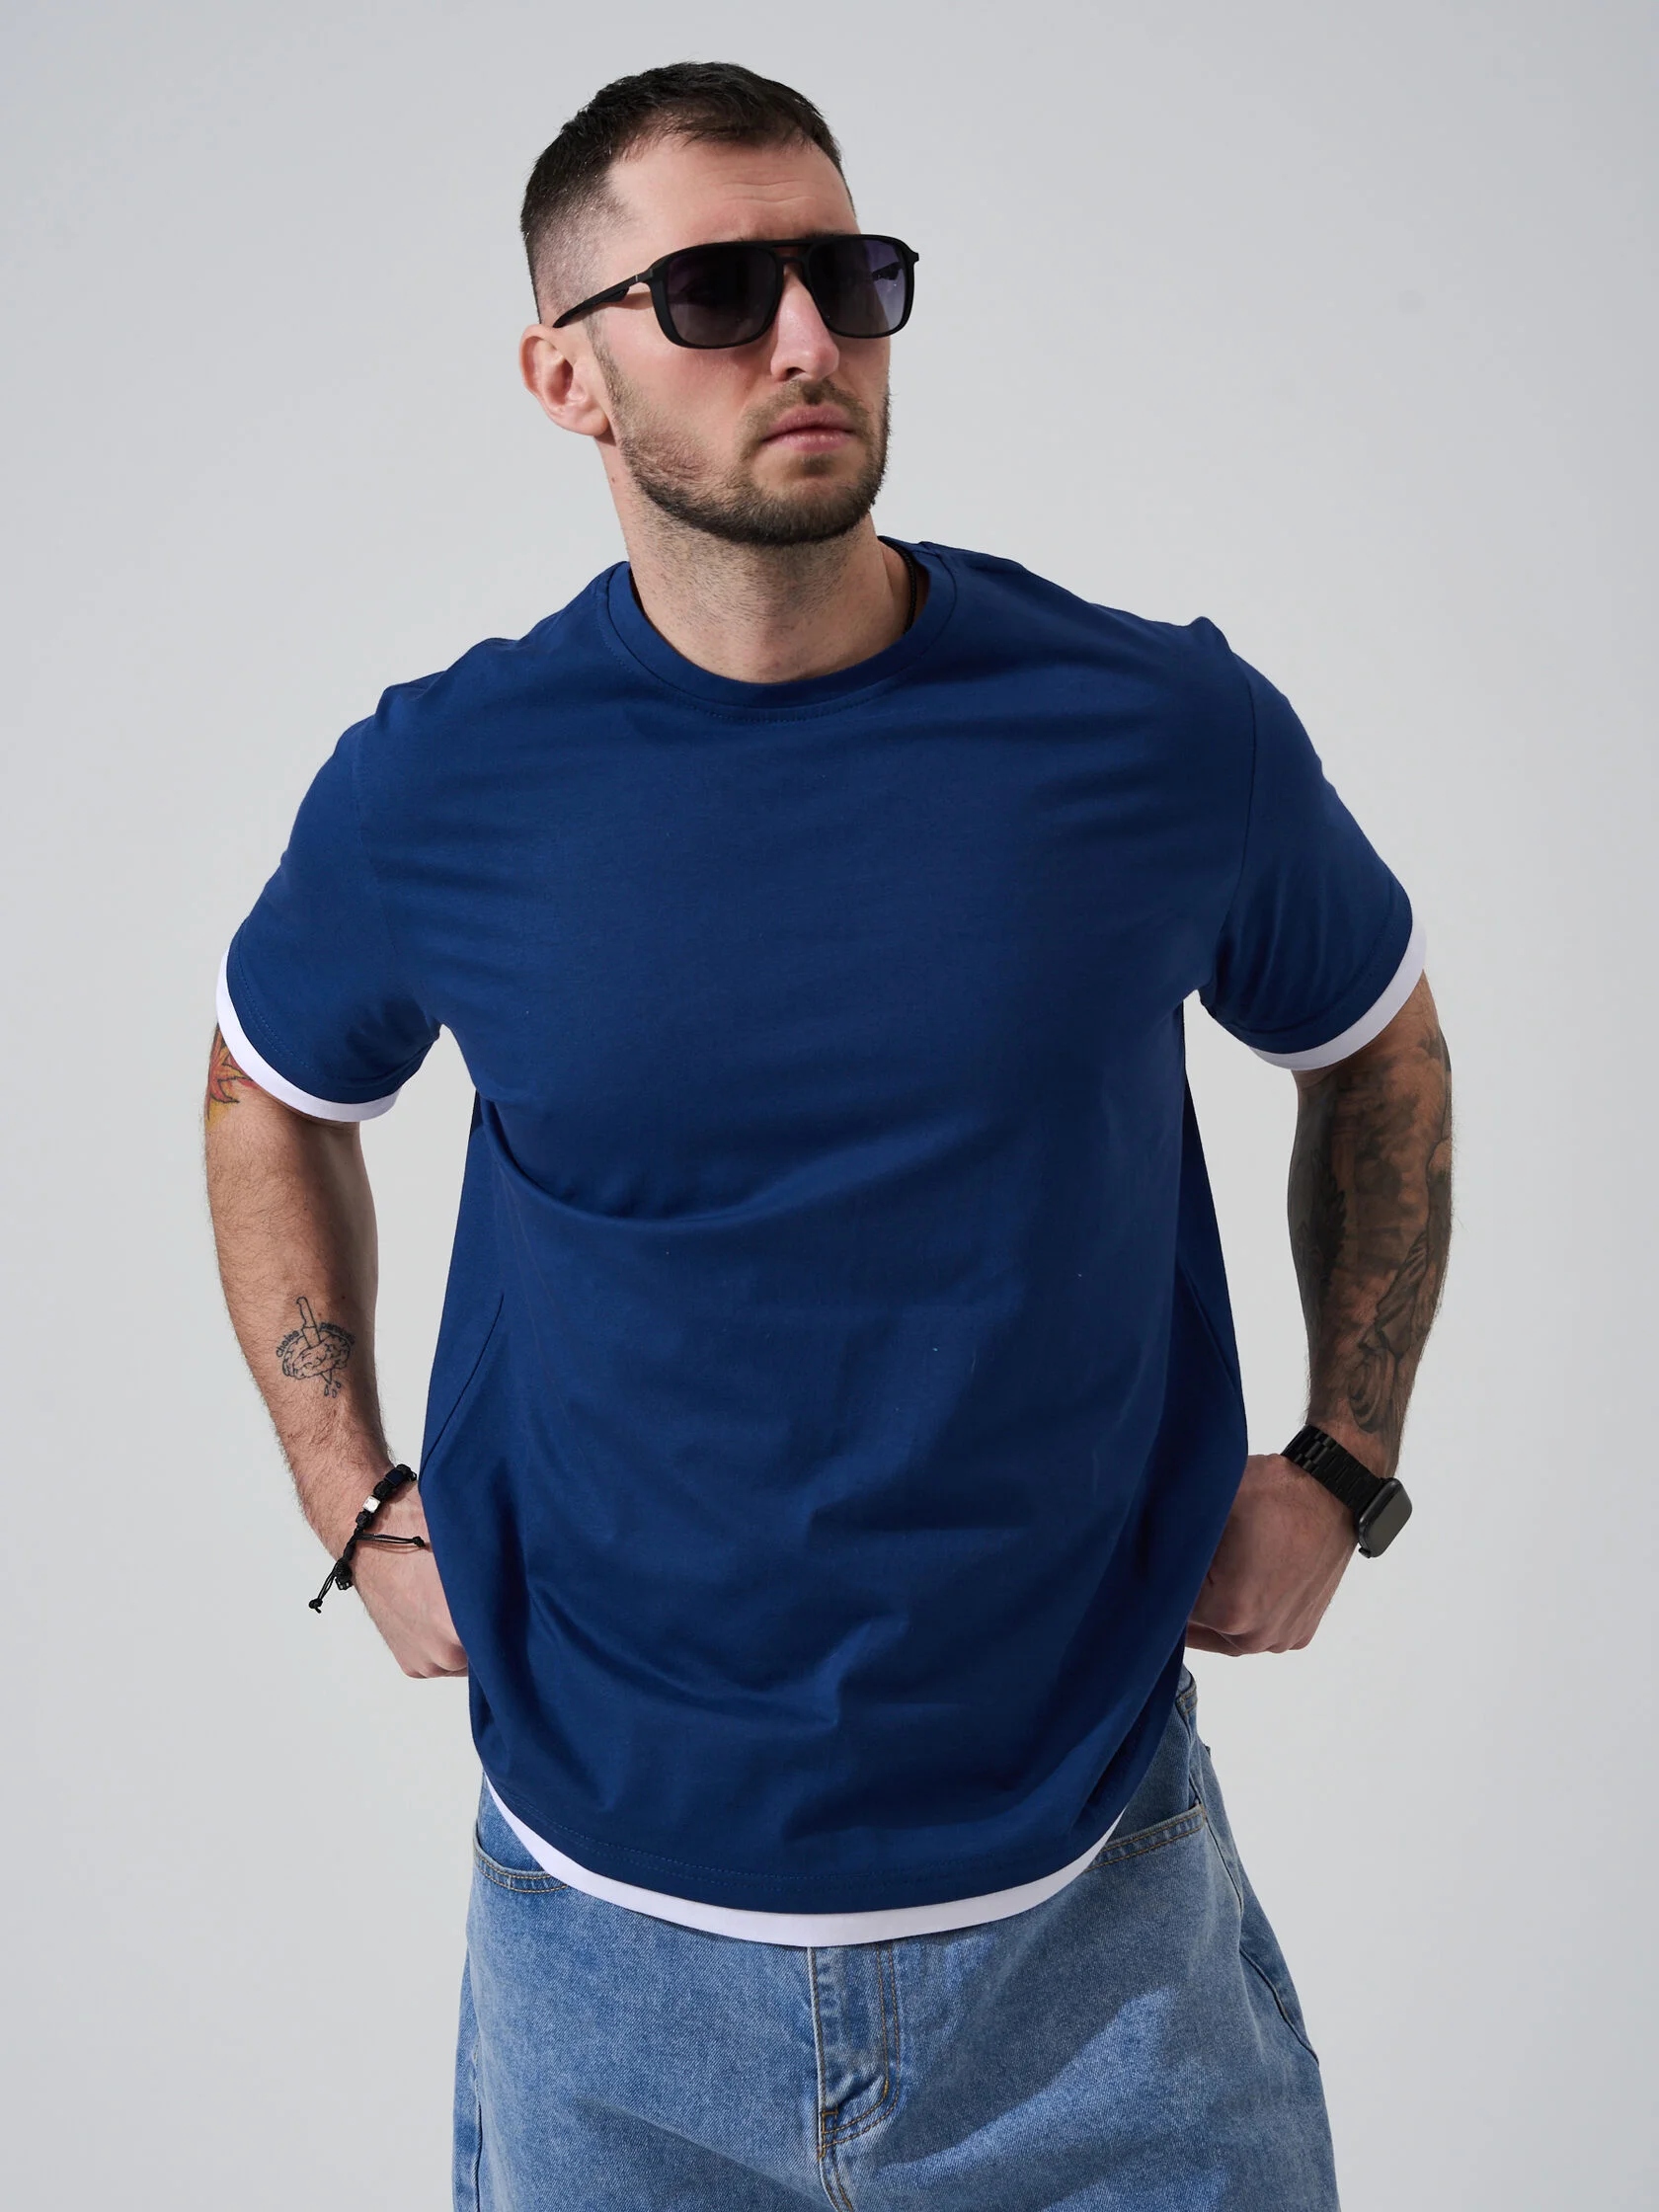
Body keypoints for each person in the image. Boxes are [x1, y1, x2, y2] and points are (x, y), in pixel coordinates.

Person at [204, 59, 1453, 2212]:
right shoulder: (444, 786)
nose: (807, 336)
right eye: (714, 291)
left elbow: (1378, 1046)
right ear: (567, 375)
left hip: (1100, 1930)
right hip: (608, 1954)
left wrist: (1346, 1460)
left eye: (849, 277)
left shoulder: (1156, 734)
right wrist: (351, 1491)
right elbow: (269, 1093)